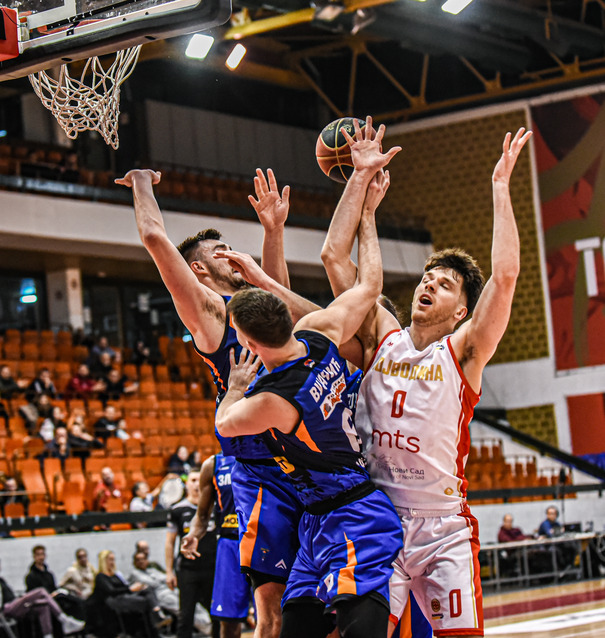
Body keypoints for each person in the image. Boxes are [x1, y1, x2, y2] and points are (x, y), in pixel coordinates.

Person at [321, 120, 532, 637]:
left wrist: (500, 187)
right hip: (380, 521)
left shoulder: (463, 353)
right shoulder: (381, 334)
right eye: (426, 278)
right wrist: (362, 192)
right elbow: (334, 256)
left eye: (445, 285)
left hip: (442, 527)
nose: (429, 285)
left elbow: (505, 278)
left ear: (461, 311)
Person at [211, 165, 404, 638]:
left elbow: (225, 425)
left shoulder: (274, 400)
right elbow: (369, 287)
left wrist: (234, 386)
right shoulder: (317, 334)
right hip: (318, 518)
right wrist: (369, 216)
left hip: (352, 513)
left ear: (249, 344)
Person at [117, 166, 307, 638]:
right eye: (219, 252)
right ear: (199, 270)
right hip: (261, 471)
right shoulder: (209, 313)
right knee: (272, 611)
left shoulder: (255, 305)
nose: (230, 255)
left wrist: (273, 231)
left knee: (319, 604)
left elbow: (281, 301)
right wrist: (142, 183)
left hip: (305, 458)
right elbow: (155, 238)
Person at [182, 453, 252, 638]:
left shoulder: (266, 453)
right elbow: (202, 515)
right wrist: (193, 534)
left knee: (270, 615)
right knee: (228, 621)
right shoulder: (213, 464)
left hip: (262, 542)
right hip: (229, 544)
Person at [165, 468, 218, 638]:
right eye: (193, 480)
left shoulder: (215, 506)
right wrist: (169, 571)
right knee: (186, 616)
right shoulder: (177, 509)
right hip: (188, 570)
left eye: (199, 480)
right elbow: (170, 542)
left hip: (212, 568)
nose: (196, 484)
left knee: (217, 614)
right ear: (186, 484)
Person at [87, 550, 168, 638]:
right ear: (104, 561)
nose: (112, 562)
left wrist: (137, 587)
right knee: (146, 602)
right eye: (110, 560)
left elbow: (124, 586)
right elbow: (112, 591)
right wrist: (130, 589)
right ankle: (155, 623)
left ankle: (157, 612)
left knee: (147, 589)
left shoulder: (115, 575)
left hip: (124, 596)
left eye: (113, 560)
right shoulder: (101, 577)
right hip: (115, 600)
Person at [129, 551, 212, 635]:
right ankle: (207, 629)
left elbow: (167, 578)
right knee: (184, 610)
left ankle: (210, 623)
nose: (141, 561)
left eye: (143, 559)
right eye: (138, 560)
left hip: (171, 590)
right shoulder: (134, 574)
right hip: (161, 595)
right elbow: (142, 585)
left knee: (194, 604)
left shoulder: (153, 570)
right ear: (134, 562)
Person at [1, 559, 85, 638]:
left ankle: (47, 635)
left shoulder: (2, 580)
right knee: (41, 591)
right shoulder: (30, 576)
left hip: (14, 604)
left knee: (44, 605)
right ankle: (64, 619)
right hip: (6, 608)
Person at [25, 545, 85, 620]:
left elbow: (53, 588)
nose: (41, 557)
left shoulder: (49, 574)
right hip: (45, 601)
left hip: (54, 597)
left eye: (42, 554)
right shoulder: (30, 577)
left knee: (73, 600)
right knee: (64, 600)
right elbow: (33, 594)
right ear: (34, 556)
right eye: (38, 555)